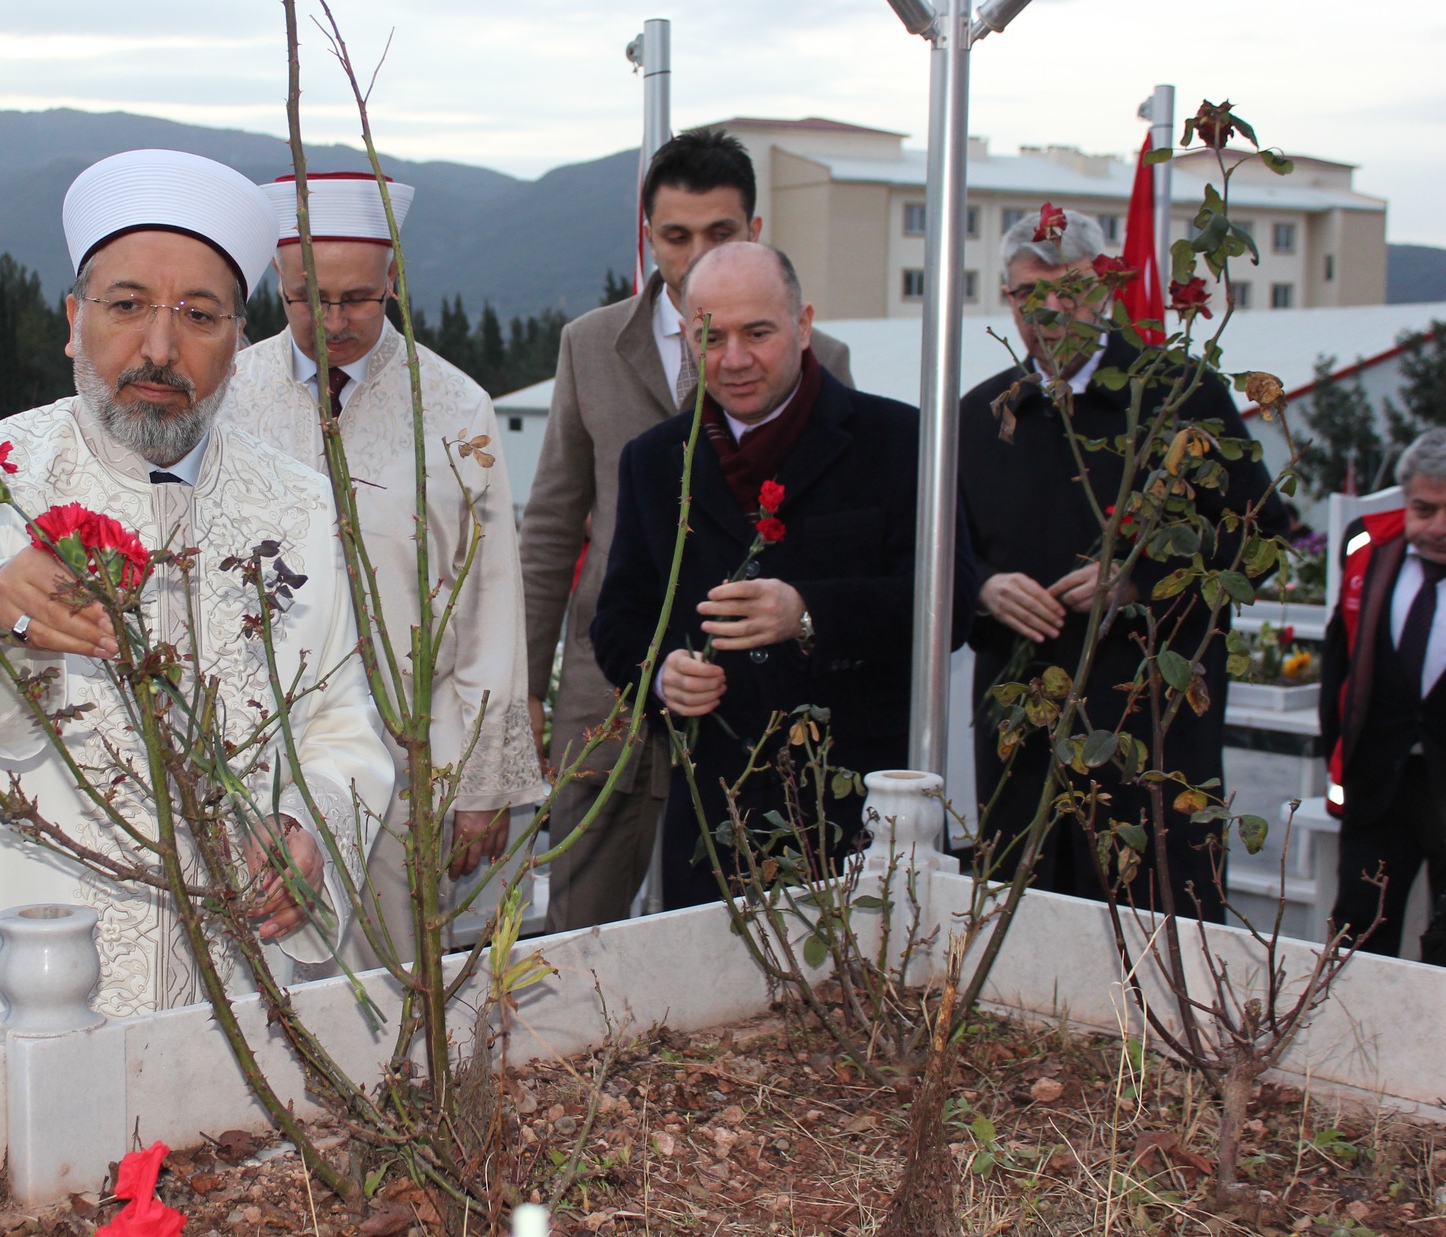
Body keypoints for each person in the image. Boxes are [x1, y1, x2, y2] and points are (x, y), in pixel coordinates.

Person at [0, 149, 394, 1048]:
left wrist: (311, 831)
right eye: (125, 307)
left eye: (198, 315)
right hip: (34, 997)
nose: (160, 348)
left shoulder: (301, 509)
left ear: (240, 336)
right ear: (74, 322)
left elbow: (344, 724)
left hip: (242, 993)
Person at [521, 130, 854, 931]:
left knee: (751, 928)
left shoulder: (822, 357)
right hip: (612, 692)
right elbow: (552, 525)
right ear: (649, 238)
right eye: (677, 236)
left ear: (756, 231)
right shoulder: (592, 345)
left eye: (721, 233)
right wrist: (526, 687)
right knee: (582, 923)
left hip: (755, 698)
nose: (696, 251)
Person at [224, 172, 544, 966]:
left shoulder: (454, 407)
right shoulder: (228, 396)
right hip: (257, 758)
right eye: (308, 298)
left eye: (358, 299)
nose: (333, 321)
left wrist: (481, 783)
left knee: (394, 981)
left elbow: (491, 596)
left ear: (394, 280)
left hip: (410, 757)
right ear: (276, 282)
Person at [589, 242, 962, 909]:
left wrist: (809, 613)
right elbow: (619, 620)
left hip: (859, 814)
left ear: (803, 323)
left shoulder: (900, 441)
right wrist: (661, 675)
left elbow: (951, 604)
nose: (734, 359)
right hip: (712, 816)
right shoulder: (653, 460)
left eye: (757, 332)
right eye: (711, 337)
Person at [958, 208, 1285, 913]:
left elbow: (1259, 540)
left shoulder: (1178, 395)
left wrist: (1140, 579)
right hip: (1024, 749)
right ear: (1005, 300)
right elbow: (939, 560)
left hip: (1153, 736)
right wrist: (983, 590)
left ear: (1105, 287)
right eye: (1025, 295)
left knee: (1157, 944)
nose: (1048, 310)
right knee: (1026, 952)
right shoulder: (981, 417)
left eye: (1068, 288)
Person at [1323, 428, 1446, 961]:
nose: (1438, 527)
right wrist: (1341, 761)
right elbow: (1339, 665)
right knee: (1358, 932)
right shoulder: (1370, 549)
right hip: (1378, 787)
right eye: (1424, 508)